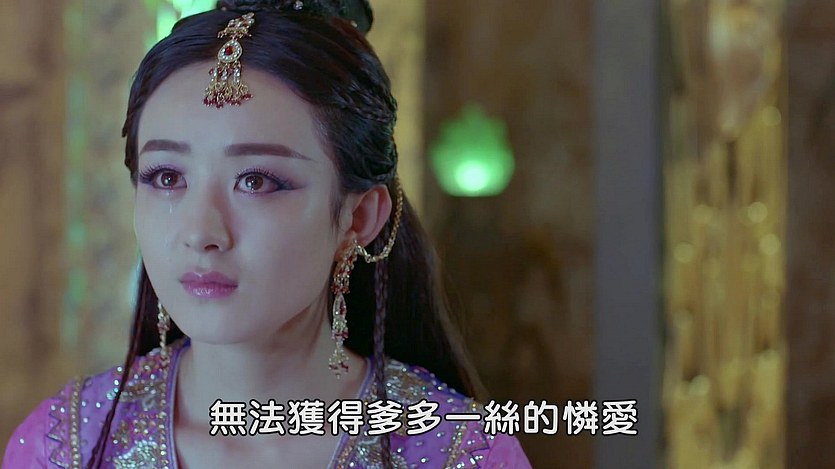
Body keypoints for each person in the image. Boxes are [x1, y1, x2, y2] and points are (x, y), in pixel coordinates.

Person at [3, 0, 532, 467]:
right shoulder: (65, 447)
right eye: (166, 177)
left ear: (358, 219)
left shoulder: (460, 453)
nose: (200, 232)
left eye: (256, 181)